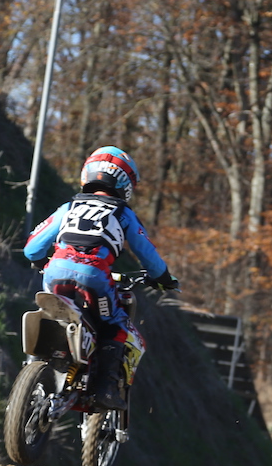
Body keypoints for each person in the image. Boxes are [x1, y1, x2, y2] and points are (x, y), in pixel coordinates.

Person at [24, 146, 178, 410]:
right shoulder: (122, 213)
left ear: (88, 173)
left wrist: (42, 262)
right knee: (116, 324)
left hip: (54, 273)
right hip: (94, 275)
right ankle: (105, 389)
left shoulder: (69, 206)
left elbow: (32, 248)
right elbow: (147, 254)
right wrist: (163, 278)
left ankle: (37, 364)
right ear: (125, 182)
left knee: (56, 313)